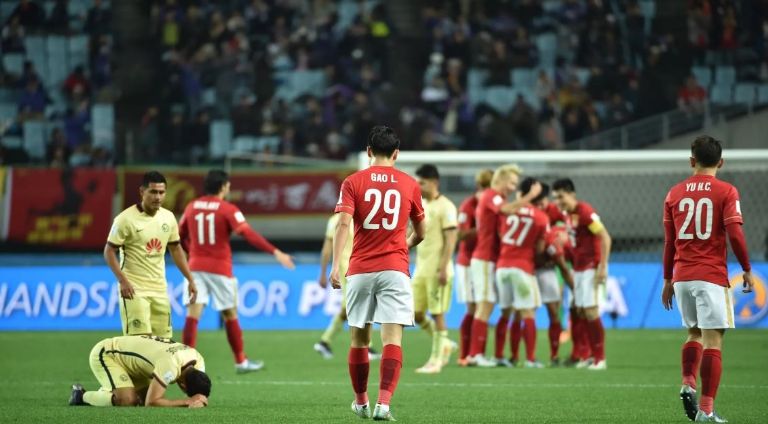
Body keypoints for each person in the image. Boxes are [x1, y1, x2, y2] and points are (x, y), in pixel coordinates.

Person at [331, 125, 426, 421]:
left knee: (359, 341)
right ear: (396, 153)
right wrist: (404, 244)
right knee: (392, 341)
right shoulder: (410, 184)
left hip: (360, 269)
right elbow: (422, 231)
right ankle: (383, 405)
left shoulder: (352, 182)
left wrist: (336, 266)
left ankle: (360, 402)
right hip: (395, 269)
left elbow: (344, 225)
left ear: (368, 151)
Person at [661, 136, 752, 423]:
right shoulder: (726, 191)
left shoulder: (674, 193)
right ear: (721, 162)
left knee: (694, 333)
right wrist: (747, 268)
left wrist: (667, 279)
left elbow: (669, 242)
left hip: (682, 276)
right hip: (710, 274)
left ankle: (688, 380)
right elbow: (735, 234)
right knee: (714, 340)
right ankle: (706, 410)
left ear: (692, 161)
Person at [177, 170, 295, 373]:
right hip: (220, 269)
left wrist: (192, 254)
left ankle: (186, 364)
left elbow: (179, 236)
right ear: (223, 186)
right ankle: (241, 361)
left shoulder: (191, 207)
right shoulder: (227, 209)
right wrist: (275, 251)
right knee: (230, 315)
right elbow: (247, 233)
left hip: (195, 268)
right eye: (228, 185)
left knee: (192, 315)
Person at [104, 171, 196, 338]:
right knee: (140, 343)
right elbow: (109, 251)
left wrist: (190, 278)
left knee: (164, 344)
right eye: (153, 192)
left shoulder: (168, 218)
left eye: (161, 192)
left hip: (160, 289)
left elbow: (176, 249)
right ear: (142, 192)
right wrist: (123, 281)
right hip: (134, 289)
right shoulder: (125, 219)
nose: (158, 197)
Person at [466, 165, 541, 366]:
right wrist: (529, 197)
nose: (512, 187)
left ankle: (478, 354)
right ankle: (475, 354)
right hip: (483, 258)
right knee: (485, 304)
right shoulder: (492, 196)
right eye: (512, 183)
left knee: (488, 304)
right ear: (500, 180)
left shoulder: (497, 198)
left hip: (491, 259)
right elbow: (505, 210)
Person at [552, 177, 612, 370]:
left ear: (572, 194)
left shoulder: (585, 211)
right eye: (556, 198)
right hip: (578, 268)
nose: (559, 201)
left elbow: (605, 237)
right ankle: (588, 355)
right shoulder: (568, 215)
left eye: (561, 196)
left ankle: (600, 358)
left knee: (591, 310)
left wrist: (602, 266)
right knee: (580, 311)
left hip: (591, 267)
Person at [494, 178, 551, 368]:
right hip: (523, 268)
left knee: (505, 312)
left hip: (502, 267)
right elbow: (541, 248)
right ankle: (531, 359)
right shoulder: (541, 217)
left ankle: (500, 356)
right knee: (528, 313)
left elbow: (501, 235)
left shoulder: (508, 210)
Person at [68, 335, 210, 408]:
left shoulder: (198, 358)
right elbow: (152, 402)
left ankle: (113, 390)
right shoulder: (171, 365)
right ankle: (81, 395)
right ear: (184, 386)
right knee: (127, 400)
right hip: (107, 353)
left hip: (133, 365)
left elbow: (200, 390)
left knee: (139, 400)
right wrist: (186, 401)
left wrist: (200, 399)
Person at [314, 213, 381, 361]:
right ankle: (365, 347)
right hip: (351, 269)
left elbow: (326, 248)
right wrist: (323, 273)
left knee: (349, 308)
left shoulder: (339, 219)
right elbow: (327, 249)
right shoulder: (348, 219)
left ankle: (325, 341)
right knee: (359, 306)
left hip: (357, 268)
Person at [412, 164, 458, 374]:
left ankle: (436, 360)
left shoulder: (446, 207)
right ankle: (445, 343)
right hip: (421, 269)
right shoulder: (419, 204)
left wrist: (442, 267)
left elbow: (451, 240)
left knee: (437, 313)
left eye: (421, 182)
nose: (418, 186)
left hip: (438, 270)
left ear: (434, 182)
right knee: (416, 313)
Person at [455, 169, 493, 366]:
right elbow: (460, 235)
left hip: (483, 261)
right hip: (468, 262)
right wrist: (483, 229)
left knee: (480, 306)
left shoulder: (493, 204)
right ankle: (466, 354)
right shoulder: (468, 205)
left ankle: (474, 354)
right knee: (474, 307)